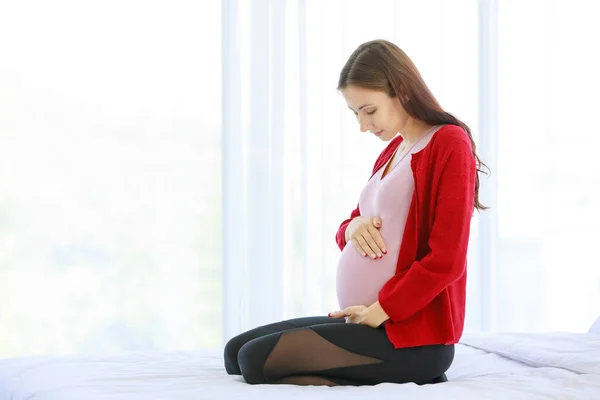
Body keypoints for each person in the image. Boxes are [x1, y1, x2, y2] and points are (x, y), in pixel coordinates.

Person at [223, 39, 487, 386]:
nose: (363, 125)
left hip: (412, 336)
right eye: (355, 114)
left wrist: (380, 311)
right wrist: (352, 228)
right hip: (370, 319)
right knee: (234, 353)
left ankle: (362, 378)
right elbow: (350, 226)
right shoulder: (393, 149)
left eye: (369, 110)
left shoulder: (448, 143)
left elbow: (447, 260)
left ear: (402, 91)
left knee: (254, 361)